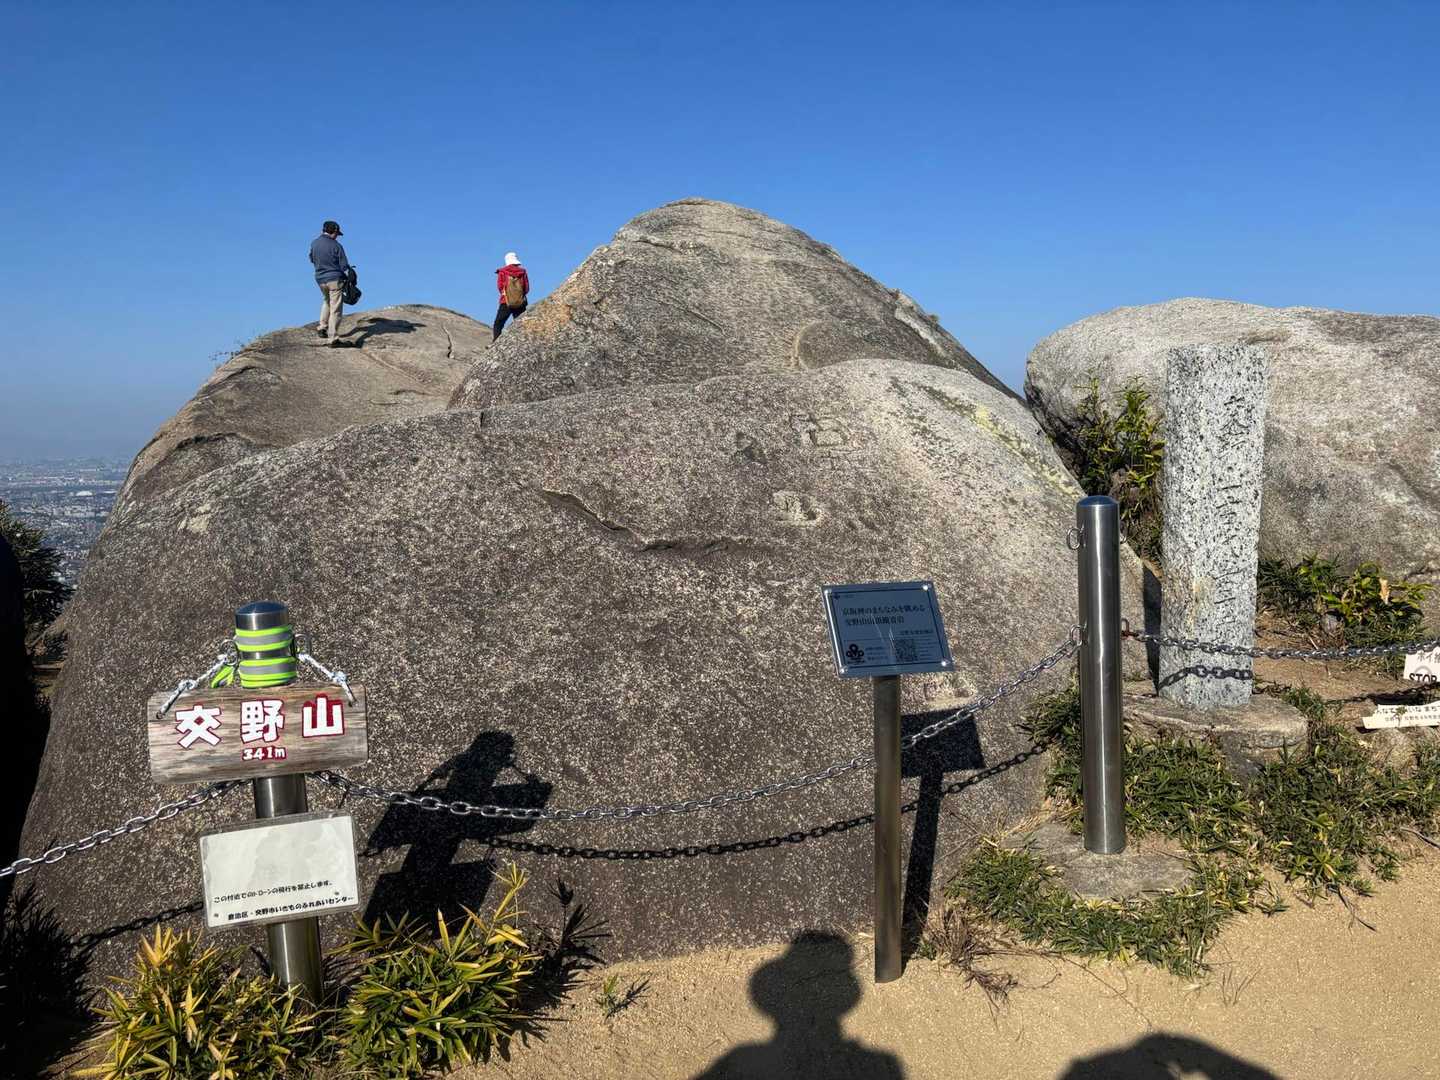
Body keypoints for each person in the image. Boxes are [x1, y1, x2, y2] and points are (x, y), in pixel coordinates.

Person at [309, 220, 352, 346]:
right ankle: (333, 338)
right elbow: (344, 266)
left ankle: (322, 327)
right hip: (334, 279)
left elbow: (311, 259)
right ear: (333, 232)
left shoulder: (314, 243)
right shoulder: (336, 246)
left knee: (327, 300)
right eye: (337, 234)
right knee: (336, 308)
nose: (337, 236)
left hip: (320, 278)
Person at [493, 252, 529, 340]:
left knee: (499, 323)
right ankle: (522, 340)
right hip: (520, 302)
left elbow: (500, 287)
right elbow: (527, 288)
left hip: (505, 301)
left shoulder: (502, 272)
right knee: (521, 323)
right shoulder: (523, 272)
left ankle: (496, 341)